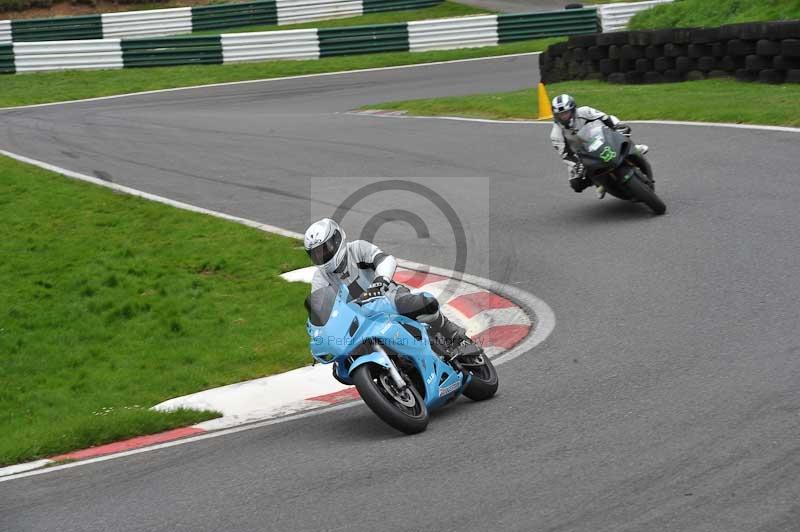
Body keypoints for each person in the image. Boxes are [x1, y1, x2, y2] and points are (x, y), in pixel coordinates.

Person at [303, 218, 481, 377]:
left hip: (388, 298)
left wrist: (379, 282)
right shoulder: (320, 278)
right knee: (342, 367)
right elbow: (320, 307)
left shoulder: (357, 249)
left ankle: (453, 334)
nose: (322, 256)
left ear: (337, 239)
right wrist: (320, 331)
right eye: (316, 254)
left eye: (324, 249)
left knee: (424, 304)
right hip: (360, 322)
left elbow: (385, 260)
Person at [550, 93, 649, 196]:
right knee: (576, 184)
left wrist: (618, 126)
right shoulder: (556, 134)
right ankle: (599, 183)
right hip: (581, 155)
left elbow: (605, 117)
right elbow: (565, 155)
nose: (564, 116)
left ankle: (633, 148)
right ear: (555, 115)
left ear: (573, 109)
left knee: (623, 133)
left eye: (566, 112)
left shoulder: (585, 111)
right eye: (560, 114)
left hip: (599, 139)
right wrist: (576, 164)